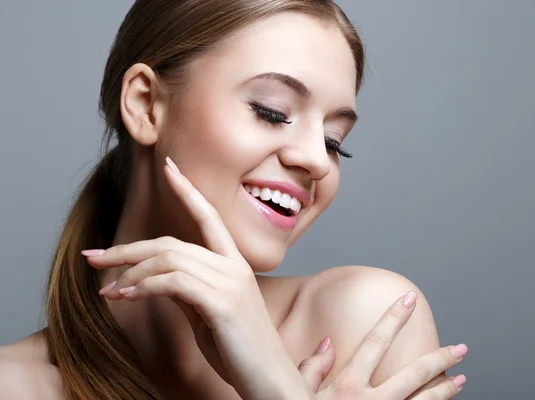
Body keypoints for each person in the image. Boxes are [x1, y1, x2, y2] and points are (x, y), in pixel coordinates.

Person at [0, 0, 468, 399]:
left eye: (333, 140)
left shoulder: (367, 322)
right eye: (271, 111)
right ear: (145, 105)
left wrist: (276, 385)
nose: (318, 162)